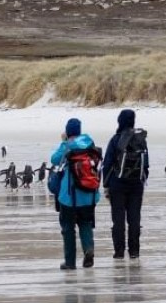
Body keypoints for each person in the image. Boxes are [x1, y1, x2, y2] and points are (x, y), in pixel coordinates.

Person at [51, 118, 100, 270]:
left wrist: (64, 142)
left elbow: (54, 159)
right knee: (85, 224)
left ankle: (70, 262)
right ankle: (88, 249)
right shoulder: (89, 144)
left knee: (68, 228)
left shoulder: (68, 146)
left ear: (68, 131)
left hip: (69, 197)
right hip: (89, 195)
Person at [102, 109, 149, 259]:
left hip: (117, 185)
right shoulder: (140, 139)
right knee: (134, 219)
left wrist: (106, 185)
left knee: (118, 219)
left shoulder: (116, 139)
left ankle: (119, 251)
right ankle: (134, 251)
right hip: (136, 185)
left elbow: (107, 163)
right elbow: (146, 165)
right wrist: (141, 179)